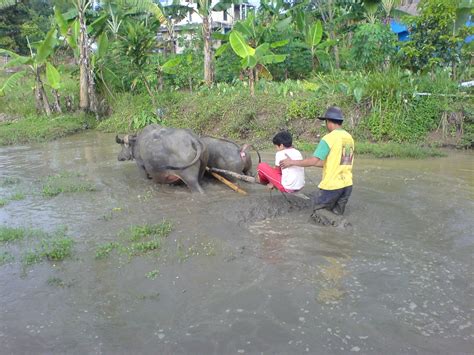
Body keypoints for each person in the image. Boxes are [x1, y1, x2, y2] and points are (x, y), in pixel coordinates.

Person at [280, 106, 354, 215]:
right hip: (347, 185)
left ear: (329, 122)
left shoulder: (329, 138)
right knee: (336, 215)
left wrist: (292, 162)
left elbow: (314, 160)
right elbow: (340, 161)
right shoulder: (349, 138)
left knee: (318, 213)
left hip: (332, 186)